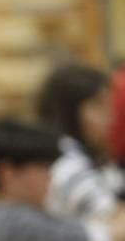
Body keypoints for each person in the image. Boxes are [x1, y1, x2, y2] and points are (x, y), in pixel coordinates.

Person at [38, 64, 125, 221]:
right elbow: (113, 221)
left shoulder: (91, 157)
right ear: (68, 112)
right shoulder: (66, 165)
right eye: (98, 106)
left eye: (108, 106)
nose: (111, 118)